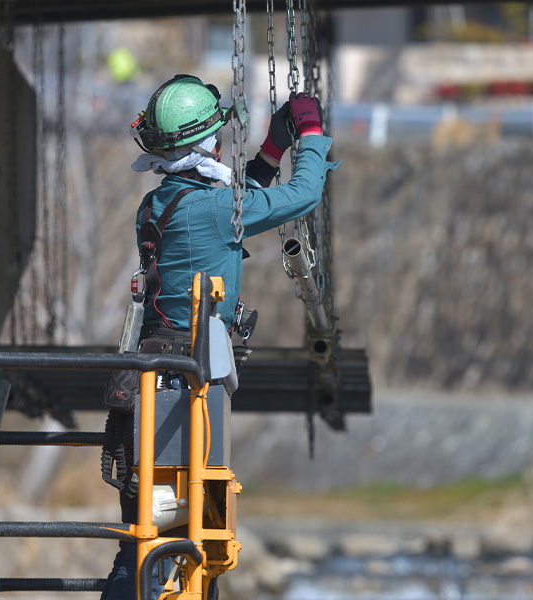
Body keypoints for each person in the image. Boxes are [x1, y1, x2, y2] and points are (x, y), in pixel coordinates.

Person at [100, 73, 337, 600]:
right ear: (207, 141)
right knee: (173, 539)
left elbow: (235, 200)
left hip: (149, 377)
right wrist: (312, 134)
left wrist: (274, 145)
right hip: (184, 389)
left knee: (142, 537)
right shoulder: (210, 207)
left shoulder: (161, 203)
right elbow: (301, 195)